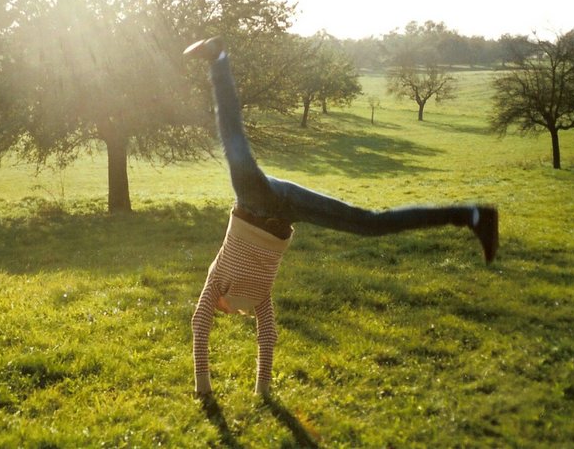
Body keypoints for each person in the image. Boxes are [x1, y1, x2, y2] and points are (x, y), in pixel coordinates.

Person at [183, 36, 498, 397]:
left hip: (254, 201)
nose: (225, 311)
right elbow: (268, 334)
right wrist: (263, 391)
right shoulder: (255, 298)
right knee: (369, 224)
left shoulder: (216, 282)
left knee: (232, 139)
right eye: (225, 311)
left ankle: (218, 55)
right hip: (286, 210)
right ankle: (473, 216)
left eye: (220, 309)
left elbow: (198, 323)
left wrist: (204, 389)